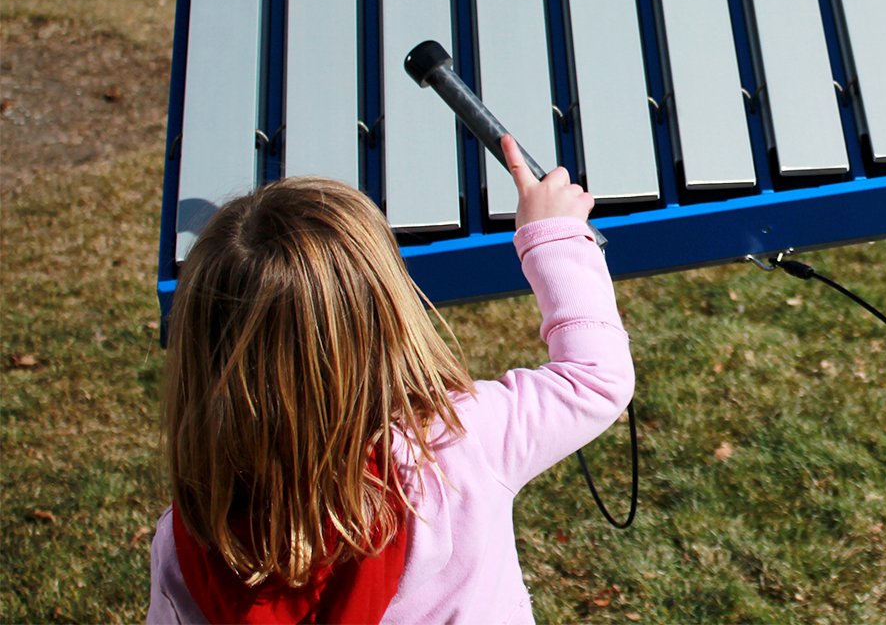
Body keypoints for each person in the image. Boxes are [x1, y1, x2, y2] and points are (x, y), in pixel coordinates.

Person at [148, 136, 633, 623]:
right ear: (387, 310)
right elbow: (594, 378)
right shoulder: (451, 448)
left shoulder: (190, 537)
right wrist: (554, 235)